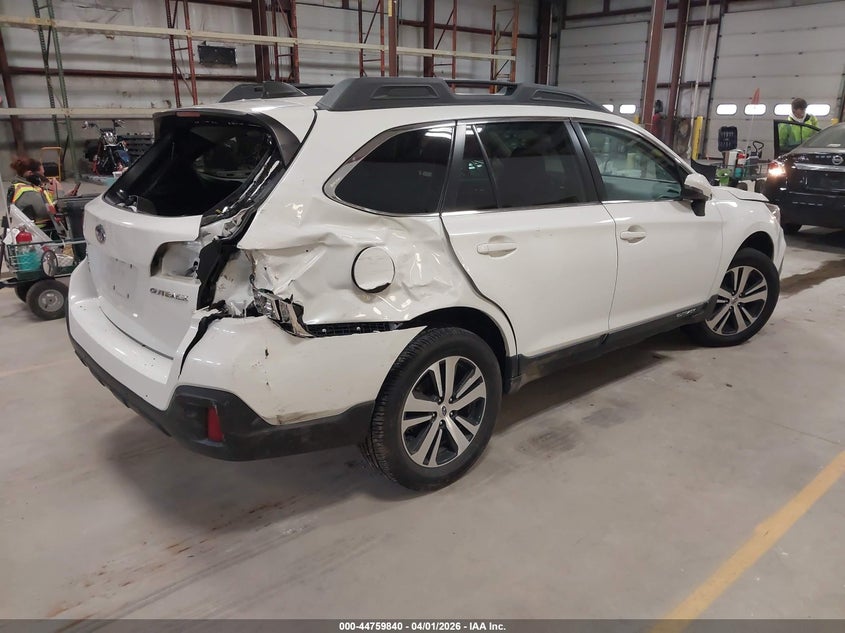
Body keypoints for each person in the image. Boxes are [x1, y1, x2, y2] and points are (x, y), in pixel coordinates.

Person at [7, 157, 59, 233]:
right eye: (42, 174)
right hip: (38, 233)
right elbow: (47, 212)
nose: (44, 177)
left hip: (35, 230)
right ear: (30, 173)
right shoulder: (27, 192)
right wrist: (58, 192)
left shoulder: (27, 186)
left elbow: (45, 200)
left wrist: (55, 194)